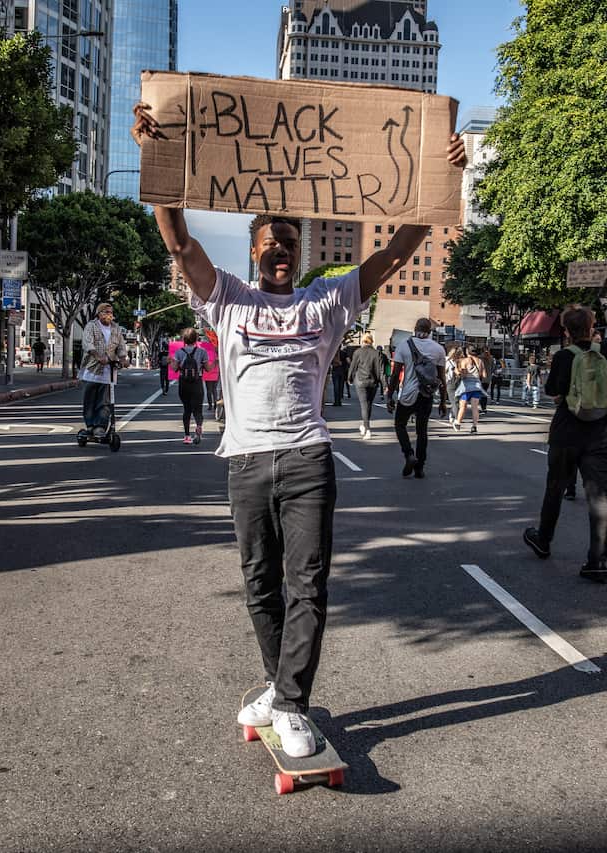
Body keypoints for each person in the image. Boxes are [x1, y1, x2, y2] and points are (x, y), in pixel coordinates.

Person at [132, 101, 466, 758]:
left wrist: (438, 180)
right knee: (259, 578)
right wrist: (157, 161)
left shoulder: (329, 298)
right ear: (254, 252)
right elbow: (178, 241)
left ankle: (290, 700)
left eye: (290, 241)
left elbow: (399, 249)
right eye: (270, 242)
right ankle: (276, 682)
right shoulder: (227, 297)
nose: (281, 250)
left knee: (307, 581)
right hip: (248, 460)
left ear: (299, 252)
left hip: (309, 457)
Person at [522, 297, 607, 583]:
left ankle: (544, 539)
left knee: (555, 487)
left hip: (566, 430)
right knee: (599, 497)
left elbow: (553, 393)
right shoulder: (605, 350)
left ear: (565, 331)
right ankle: (597, 561)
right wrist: (606, 302)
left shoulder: (564, 356)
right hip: (598, 432)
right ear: (592, 327)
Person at [390, 319, 449, 479]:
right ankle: (420, 468)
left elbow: (395, 374)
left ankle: (409, 454)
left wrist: (390, 396)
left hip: (408, 394)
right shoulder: (438, 349)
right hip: (426, 394)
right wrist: (443, 401)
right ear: (430, 331)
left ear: (415, 329)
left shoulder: (404, 345)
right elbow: (442, 378)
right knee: (422, 431)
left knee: (400, 424)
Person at [79, 303, 130, 437]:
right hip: (91, 370)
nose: (109, 315)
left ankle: (100, 427)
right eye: (106, 312)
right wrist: (97, 356)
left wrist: (123, 359)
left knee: (105, 402)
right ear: (99, 313)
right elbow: (87, 343)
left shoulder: (116, 329)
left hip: (108, 372)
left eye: (111, 312)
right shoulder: (91, 326)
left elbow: (121, 347)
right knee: (90, 401)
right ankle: (90, 426)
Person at [170, 327, 210, 444]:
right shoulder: (202, 352)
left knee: (187, 409)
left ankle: (187, 436)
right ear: (196, 339)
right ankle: (198, 426)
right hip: (197, 383)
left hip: (184, 383)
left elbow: (175, 368)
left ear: (184, 339)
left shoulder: (179, 352)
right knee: (198, 410)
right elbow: (207, 368)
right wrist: (215, 363)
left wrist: (171, 361)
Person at [348, 333, 384, 438]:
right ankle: (365, 425)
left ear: (363, 341)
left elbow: (353, 366)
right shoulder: (377, 353)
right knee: (369, 404)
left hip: (361, 381)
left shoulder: (358, 352)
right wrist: (382, 383)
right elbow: (380, 370)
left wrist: (349, 378)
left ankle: (367, 429)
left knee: (364, 405)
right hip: (373, 382)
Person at [451, 344, 488, 434]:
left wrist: (457, 372)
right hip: (477, 386)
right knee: (475, 407)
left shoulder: (465, 361)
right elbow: (484, 375)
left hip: (466, 386)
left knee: (463, 406)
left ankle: (458, 423)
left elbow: (463, 374)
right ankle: (474, 426)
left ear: (468, 352)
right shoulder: (480, 361)